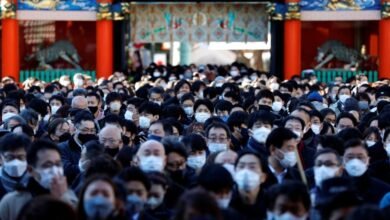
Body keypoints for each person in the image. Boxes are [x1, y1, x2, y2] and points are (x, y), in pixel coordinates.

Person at [0, 139, 77, 220]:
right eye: (47, 165)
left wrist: (62, 199)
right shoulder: (12, 201)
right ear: (30, 170)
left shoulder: (70, 197)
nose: (55, 170)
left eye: (58, 164)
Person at [342, 139, 390, 204]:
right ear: (343, 160)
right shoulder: (333, 188)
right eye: (350, 157)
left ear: (368, 160)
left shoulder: (383, 190)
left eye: (360, 157)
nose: (355, 161)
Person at [58, 110, 98, 184]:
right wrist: (82, 167)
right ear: (75, 129)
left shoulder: (97, 147)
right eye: (85, 130)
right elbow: (65, 169)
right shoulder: (62, 147)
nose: (89, 133)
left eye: (92, 130)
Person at [0, 133, 31, 199]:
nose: (15, 163)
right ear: (1, 159)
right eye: (10, 157)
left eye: (21, 157)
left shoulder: (37, 182)